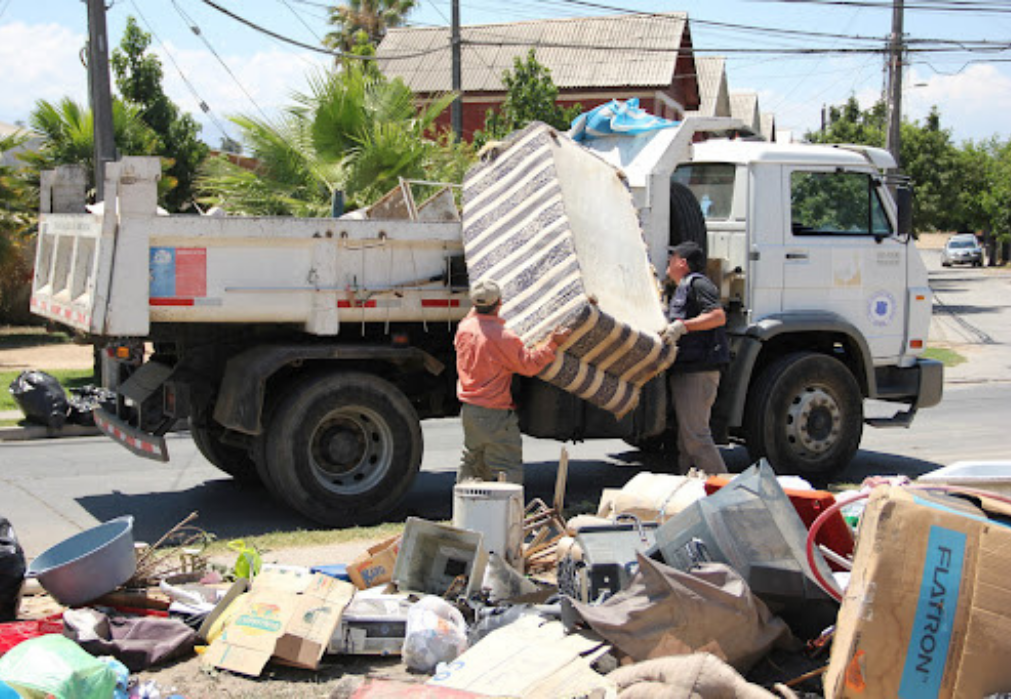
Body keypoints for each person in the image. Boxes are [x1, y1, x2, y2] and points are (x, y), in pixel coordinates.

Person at [455, 279, 570, 484]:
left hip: (470, 412)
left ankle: (466, 510)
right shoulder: (502, 337)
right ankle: (507, 514)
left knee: (472, 464)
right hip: (495, 414)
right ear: (499, 303)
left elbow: (475, 319)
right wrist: (553, 342)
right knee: (507, 466)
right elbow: (529, 365)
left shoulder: (464, 328)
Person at [661, 241, 730, 475]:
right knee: (686, 442)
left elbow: (718, 316)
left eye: (672, 259)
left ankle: (726, 494)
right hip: (687, 369)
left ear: (682, 262)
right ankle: (691, 496)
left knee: (696, 439)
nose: (668, 264)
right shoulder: (681, 288)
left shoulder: (698, 283)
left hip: (699, 371)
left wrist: (683, 326)